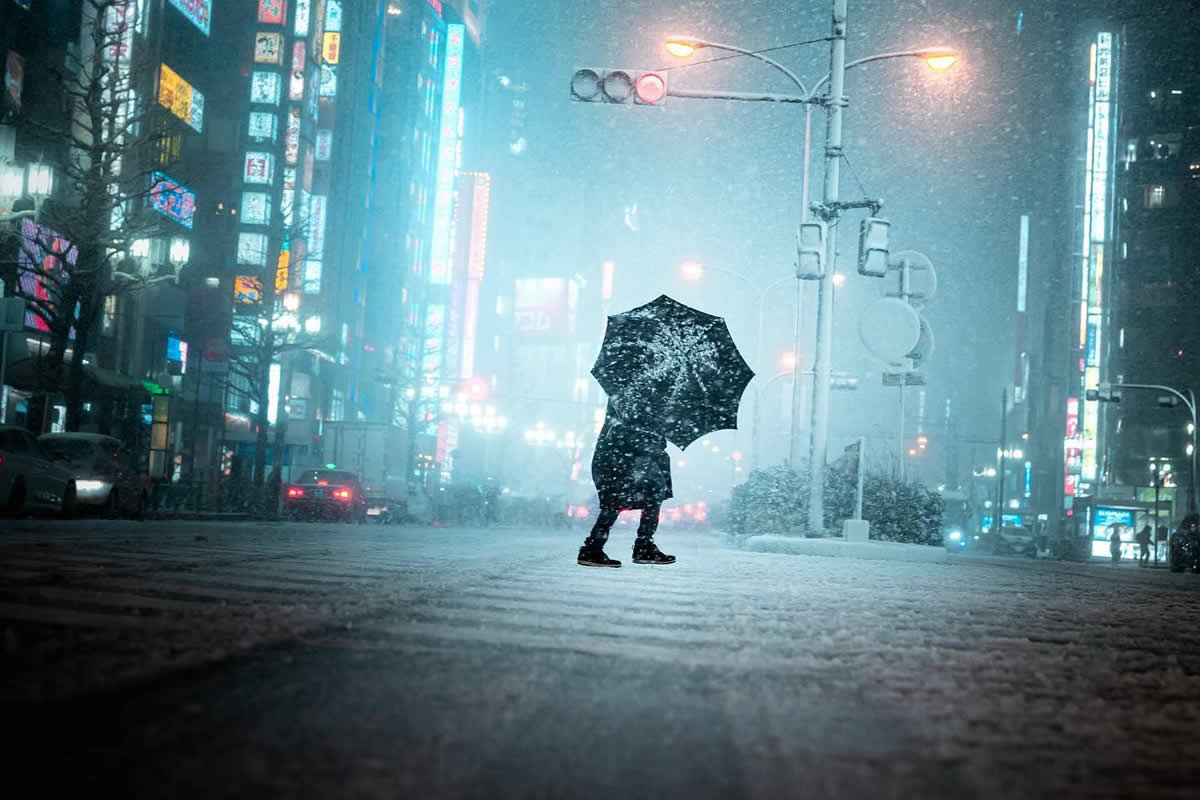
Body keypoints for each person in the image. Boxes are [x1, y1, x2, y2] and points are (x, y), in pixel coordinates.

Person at [578, 401, 676, 568]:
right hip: (623, 456)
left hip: (624, 456)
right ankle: (640, 545)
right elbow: (627, 428)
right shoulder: (636, 393)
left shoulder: (640, 393)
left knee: (625, 498)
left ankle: (595, 547)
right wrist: (653, 437)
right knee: (625, 498)